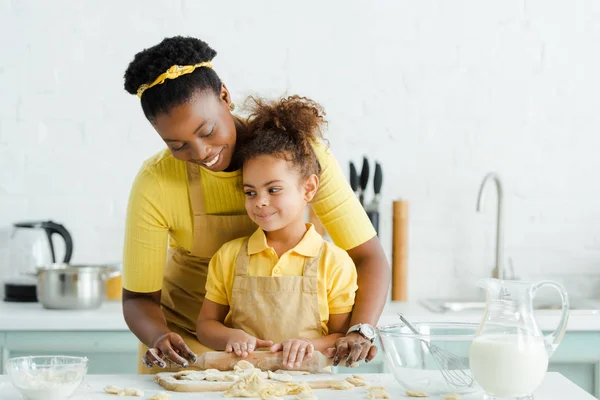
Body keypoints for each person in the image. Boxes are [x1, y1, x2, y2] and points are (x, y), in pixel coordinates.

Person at [122, 36, 390, 374]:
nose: (201, 152)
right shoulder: (156, 181)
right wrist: (159, 336)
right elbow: (138, 299)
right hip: (190, 352)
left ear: (225, 96)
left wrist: (360, 329)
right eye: (178, 145)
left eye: (207, 130)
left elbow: (368, 257)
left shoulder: (299, 156)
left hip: (289, 359)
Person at [192, 96, 357, 369]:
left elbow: (341, 337)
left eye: (274, 189)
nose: (260, 202)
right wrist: (231, 335)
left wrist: (309, 346)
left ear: (308, 188)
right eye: (250, 192)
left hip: (313, 389)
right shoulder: (229, 256)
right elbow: (206, 326)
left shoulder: (334, 262)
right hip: (241, 386)